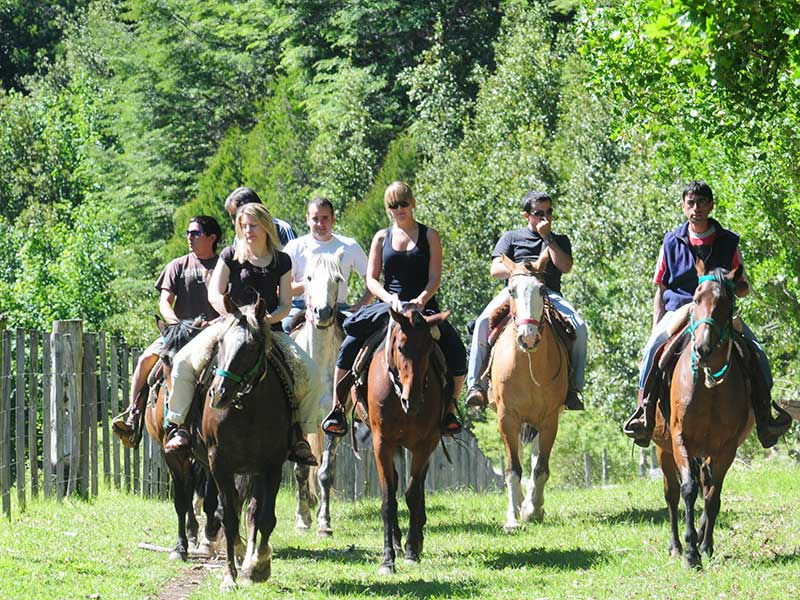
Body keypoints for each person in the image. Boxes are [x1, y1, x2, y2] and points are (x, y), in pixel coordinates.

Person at [623, 181, 792, 447]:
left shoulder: (728, 241)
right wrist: (657, 325)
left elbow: (744, 286)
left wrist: (732, 286)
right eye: (690, 203)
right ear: (683, 206)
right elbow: (661, 287)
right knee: (651, 350)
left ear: (711, 205)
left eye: (702, 202)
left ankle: (765, 416)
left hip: (718, 311)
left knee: (757, 351)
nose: (696, 208)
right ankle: (644, 414)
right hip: (680, 307)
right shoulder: (671, 241)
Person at [164, 203, 320, 465]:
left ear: (266, 226)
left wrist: (269, 318)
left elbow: (285, 302)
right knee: (182, 362)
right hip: (230, 327)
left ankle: (299, 435)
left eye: (253, 225)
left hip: (268, 330)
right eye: (244, 226)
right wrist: (232, 313)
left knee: (310, 373)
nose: (248, 231)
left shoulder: (281, 260)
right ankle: (179, 426)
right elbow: (215, 292)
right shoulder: (230, 255)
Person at [321, 181, 467, 436]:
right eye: (393, 205)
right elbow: (371, 279)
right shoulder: (381, 237)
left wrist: (421, 299)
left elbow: (435, 277)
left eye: (403, 203)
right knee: (350, 345)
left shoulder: (430, 235)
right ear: (388, 208)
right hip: (389, 307)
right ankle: (337, 409)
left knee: (455, 348)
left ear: (412, 204)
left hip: (423, 309)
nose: (399, 209)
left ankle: (451, 407)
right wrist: (390, 299)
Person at [464, 190, 588, 411]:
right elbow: (495, 269)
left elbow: (565, 267)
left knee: (579, 327)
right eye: (538, 213)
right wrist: (519, 272)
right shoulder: (511, 238)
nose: (545, 217)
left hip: (547, 293)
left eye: (549, 212)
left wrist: (547, 237)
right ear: (526, 216)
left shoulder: (559, 240)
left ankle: (574, 389)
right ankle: (475, 385)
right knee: (483, 323)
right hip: (516, 293)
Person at [112, 215, 222, 445]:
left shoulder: (224, 265)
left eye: (196, 233)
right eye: (188, 233)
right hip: (178, 334)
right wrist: (175, 324)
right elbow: (165, 301)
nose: (189, 238)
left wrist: (216, 323)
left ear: (212, 238)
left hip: (213, 334)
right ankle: (133, 416)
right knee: (145, 361)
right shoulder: (177, 265)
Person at [281, 196, 372, 332]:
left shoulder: (349, 246)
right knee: (285, 327)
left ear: (333, 219)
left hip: (339, 307)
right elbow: (281, 289)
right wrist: (311, 284)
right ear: (307, 220)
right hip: (301, 306)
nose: (320, 224)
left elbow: (371, 280)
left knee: (358, 332)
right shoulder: (294, 247)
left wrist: (361, 304)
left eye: (325, 218)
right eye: (315, 219)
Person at [223, 186, 296, 246]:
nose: (233, 222)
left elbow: (295, 259)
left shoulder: (282, 229)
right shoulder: (239, 237)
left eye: (234, 217)